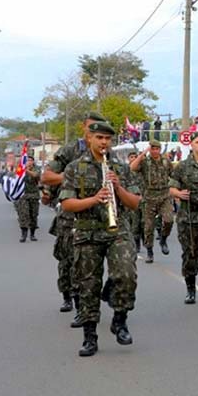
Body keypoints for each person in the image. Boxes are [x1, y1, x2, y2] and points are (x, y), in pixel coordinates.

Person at [58, 120, 141, 357]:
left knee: (126, 274)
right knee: (88, 285)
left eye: (108, 139)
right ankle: (90, 336)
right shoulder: (75, 168)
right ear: (89, 138)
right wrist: (95, 199)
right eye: (99, 138)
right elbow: (67, 203)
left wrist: (118, 188)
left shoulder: (121, 168)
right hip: (87, 232)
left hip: (117, 230)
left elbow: (135, 203)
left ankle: (120, 319)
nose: (104, 143)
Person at [41, 112, 108, 323]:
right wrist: (72, 175)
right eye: (91, 128)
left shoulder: (108, 151)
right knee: (68, 259)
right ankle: (68, 296)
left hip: (100, 215)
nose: (95, 134)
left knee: (92, 264)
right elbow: (47, 176)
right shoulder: (71, 150)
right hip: (71, 213)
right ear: (84, 129)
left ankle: (86, 305)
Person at [168, 131, 198, 304]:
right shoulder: (183, 166)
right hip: (189, 215)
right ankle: (190, 288)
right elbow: (171, 186)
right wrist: (178, 193)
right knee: (190, 254)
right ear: (192, 145)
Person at [130, 139, 174, 263]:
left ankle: (163, 239)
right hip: (149, 198)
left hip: (164, 196)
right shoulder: (145, 162)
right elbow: (132, 167)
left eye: (157, 149)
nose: (155, 151)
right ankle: (149, 251)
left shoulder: (166, 161)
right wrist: (143, 153)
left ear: (160, 149)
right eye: (152, 148)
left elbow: (174, 175)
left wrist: (176, 191)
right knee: (148, 227)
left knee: (169, 220)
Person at [14, 159, 39, 242]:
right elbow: (15, 177)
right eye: (27, 160)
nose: (29, 161)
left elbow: (36, 175)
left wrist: (26, 170)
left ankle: (32, 234)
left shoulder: (37, 169)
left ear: (33, 162)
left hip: (34, 195)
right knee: (24, 215)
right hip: (23, 196)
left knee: (33, 215)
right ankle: (23, 234)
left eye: (30, 160)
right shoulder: (21, 169)